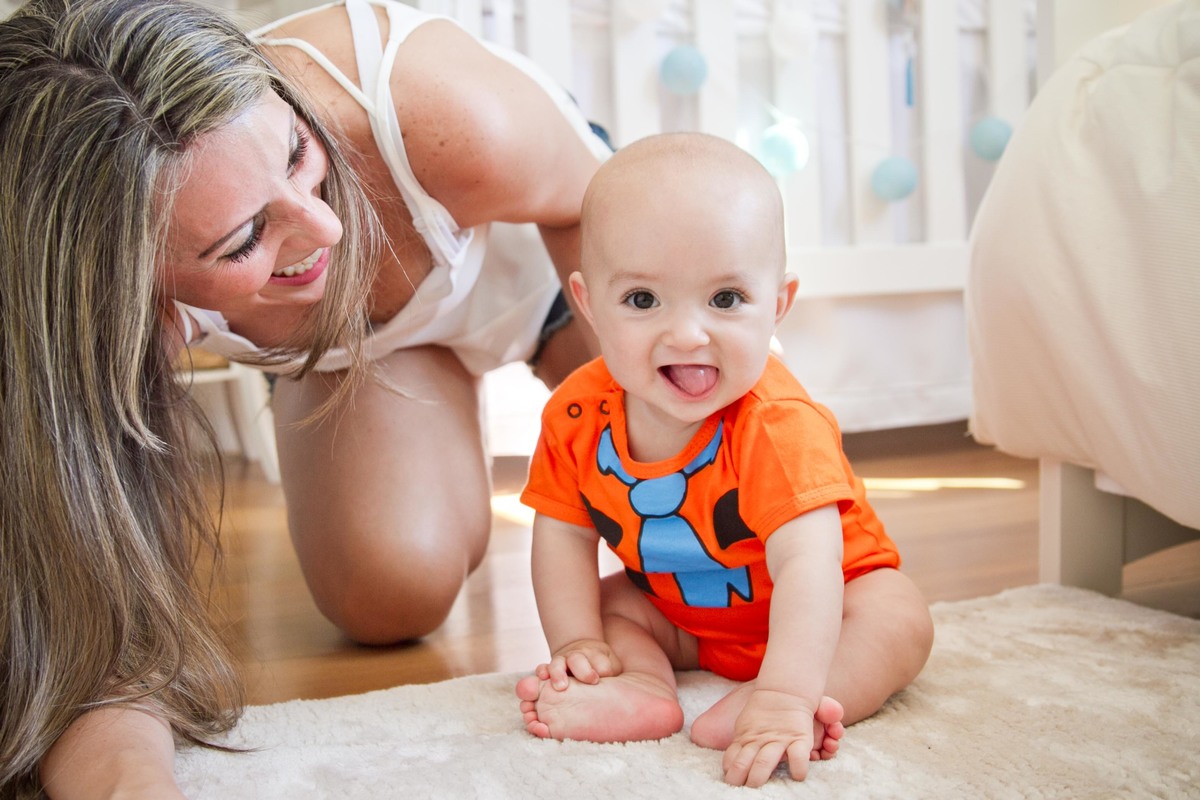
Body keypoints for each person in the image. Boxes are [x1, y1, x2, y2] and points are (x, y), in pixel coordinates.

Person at [0, 0, 608, 796]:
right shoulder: (76, 315)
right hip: (358, 347)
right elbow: (89, 636)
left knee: (692, 492)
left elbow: (616, 229)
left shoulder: (442, 109)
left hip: (562, 265)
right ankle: (427, 394)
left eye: (294, 152)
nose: (324, 226)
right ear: (124, 285)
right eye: (244, 238)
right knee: (389, 597)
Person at [514, 132, 935, 787]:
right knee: (611, 608)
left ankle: (782, 698)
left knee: (899, 619)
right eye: (644, 300)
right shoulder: (576, 413)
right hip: (681, 615)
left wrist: (786, 693)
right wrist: (579, 645)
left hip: (827, 602)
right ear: (589, 304)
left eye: (726, 299)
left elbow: (808, 567)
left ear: (777, 305)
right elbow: (562, 535)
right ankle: (642, 689)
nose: (687, 333)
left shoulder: (776, 424)